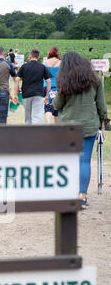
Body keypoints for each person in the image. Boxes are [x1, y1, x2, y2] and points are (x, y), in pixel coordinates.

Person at [52, 51, 109, 207]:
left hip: (68, 126)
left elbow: (57, 105)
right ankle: (81, 196)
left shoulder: (64, 81)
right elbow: (101, 106)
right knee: (84, 161)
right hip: (89, 125)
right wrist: (104, 123)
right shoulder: (95, 80)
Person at [13, 49, 51, 124]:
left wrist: (15, 93)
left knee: (28, 117)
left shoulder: (24, 66)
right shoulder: (42, 67)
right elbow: (48, 81)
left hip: (26, 94)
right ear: (38, 57)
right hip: (38, 94)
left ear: (30, 56)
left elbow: (17, 80)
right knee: (37, 116)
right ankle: (36, 134)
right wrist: (47, 95)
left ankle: (28, 134)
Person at [43, 47, 61, 124]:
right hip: (57, 87)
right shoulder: (61, 62)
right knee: (57, 108)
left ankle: (48, 125)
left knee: (48, 107)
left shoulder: (45, 63)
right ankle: (57, 128)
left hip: (46, 87)